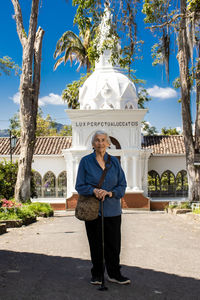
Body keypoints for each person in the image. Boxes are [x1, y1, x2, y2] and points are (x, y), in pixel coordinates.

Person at [75, 130, 130, 285]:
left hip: (113, 210)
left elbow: (122, 185)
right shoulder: (86, 161)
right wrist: (93, 190)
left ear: (108, 143)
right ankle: (97, 274)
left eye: (103, 140)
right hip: (93, 210)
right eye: (97, 140)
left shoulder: (114, 162)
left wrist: (111, 193)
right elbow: (79, 185)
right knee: (96, 244)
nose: (100, 143)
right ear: (93, 144)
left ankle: (114, 274)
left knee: (114, 244)